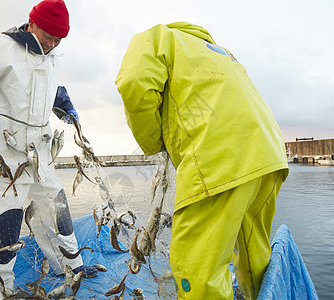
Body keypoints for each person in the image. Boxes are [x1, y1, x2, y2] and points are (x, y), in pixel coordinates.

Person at [116, 22, 289, 300]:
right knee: (253, 253)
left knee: (196, 266)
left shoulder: (159, 37)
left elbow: (134, 81)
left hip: (219, 156)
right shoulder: (220, 53)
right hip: (269, 155)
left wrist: (152, 142)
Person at [0, 0, 97, 292]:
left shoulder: (51, 56)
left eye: (59, 40)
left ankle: (71, 266)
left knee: (57, 209)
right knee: (6, 222)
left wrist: (62, 103)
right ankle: (1, 286)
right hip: (4, 160)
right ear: (32, 24)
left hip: (40, 157)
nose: (53, 44)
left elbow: (47, 88)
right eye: (49, 37)